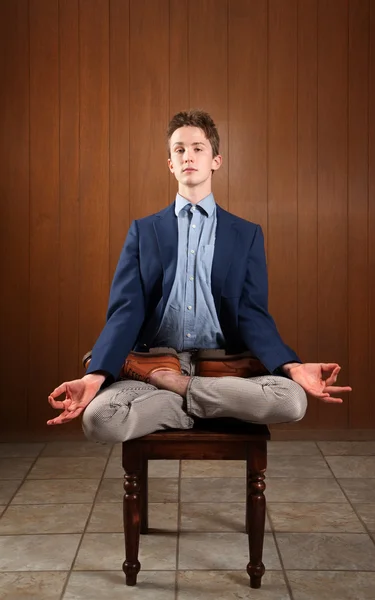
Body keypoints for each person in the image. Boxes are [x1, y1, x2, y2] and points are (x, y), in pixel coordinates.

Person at [47, 109, 351, 441]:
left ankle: (181, 392)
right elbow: (126, 311)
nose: (187, 155)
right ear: (170, 164)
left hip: (223, 370)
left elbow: (252, 314)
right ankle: (214, 407)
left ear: (216, 160)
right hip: (152, 367)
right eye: (179, 149)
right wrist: (96, 376)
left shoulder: (246, 234)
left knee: (292, 401)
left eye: (197, 148)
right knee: (100, 419)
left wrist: (292, 366)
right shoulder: (144, 232)